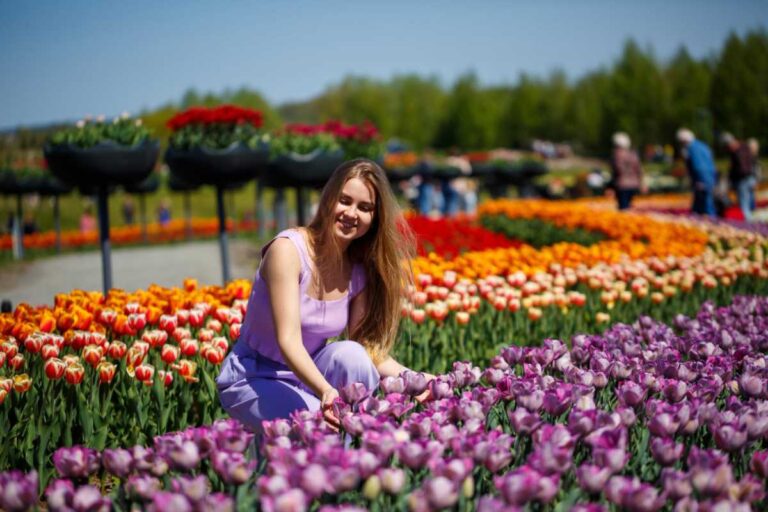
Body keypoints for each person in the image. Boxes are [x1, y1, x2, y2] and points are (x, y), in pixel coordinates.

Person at [217, 159, 429, 434]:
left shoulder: (358, 271)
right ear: (328, 198)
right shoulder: (288, 251)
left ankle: (355, 453)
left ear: (374, 218)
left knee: (353, 355)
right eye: (345, 201)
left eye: (364, 208)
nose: (352, 213)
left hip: (310, 373)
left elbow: (369, 352)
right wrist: (326, 391)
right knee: (319, 425)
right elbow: (288, 340)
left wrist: (417, 379)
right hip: (254, 376)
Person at [677, 128, 717, 217]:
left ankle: (709, 221)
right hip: (709, 175)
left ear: (684, 140)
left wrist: (700, 180)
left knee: (705, 203)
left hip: (702, 177)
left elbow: (698, 165)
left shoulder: (692, 148)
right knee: (702, 202)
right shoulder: (702, 145)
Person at [721, 132, 756, 222]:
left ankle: (749, 223)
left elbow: (742, 168)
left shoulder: (738, 152)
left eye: (728, 147)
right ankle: (752, 221)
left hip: (743, 180)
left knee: (744, 204)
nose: (728, 149)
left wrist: (732, 174)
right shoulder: (744, 147)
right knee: (749, 202)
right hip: (750, 178)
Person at [608, 132, 645, 210]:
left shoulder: (616, 155)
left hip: (622, 185)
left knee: (623, 208)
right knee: (628, 206)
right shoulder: (633, 154)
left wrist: (610, 186)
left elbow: (616, 171)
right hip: (634, 184)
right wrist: (642, 183)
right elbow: (639, 170)